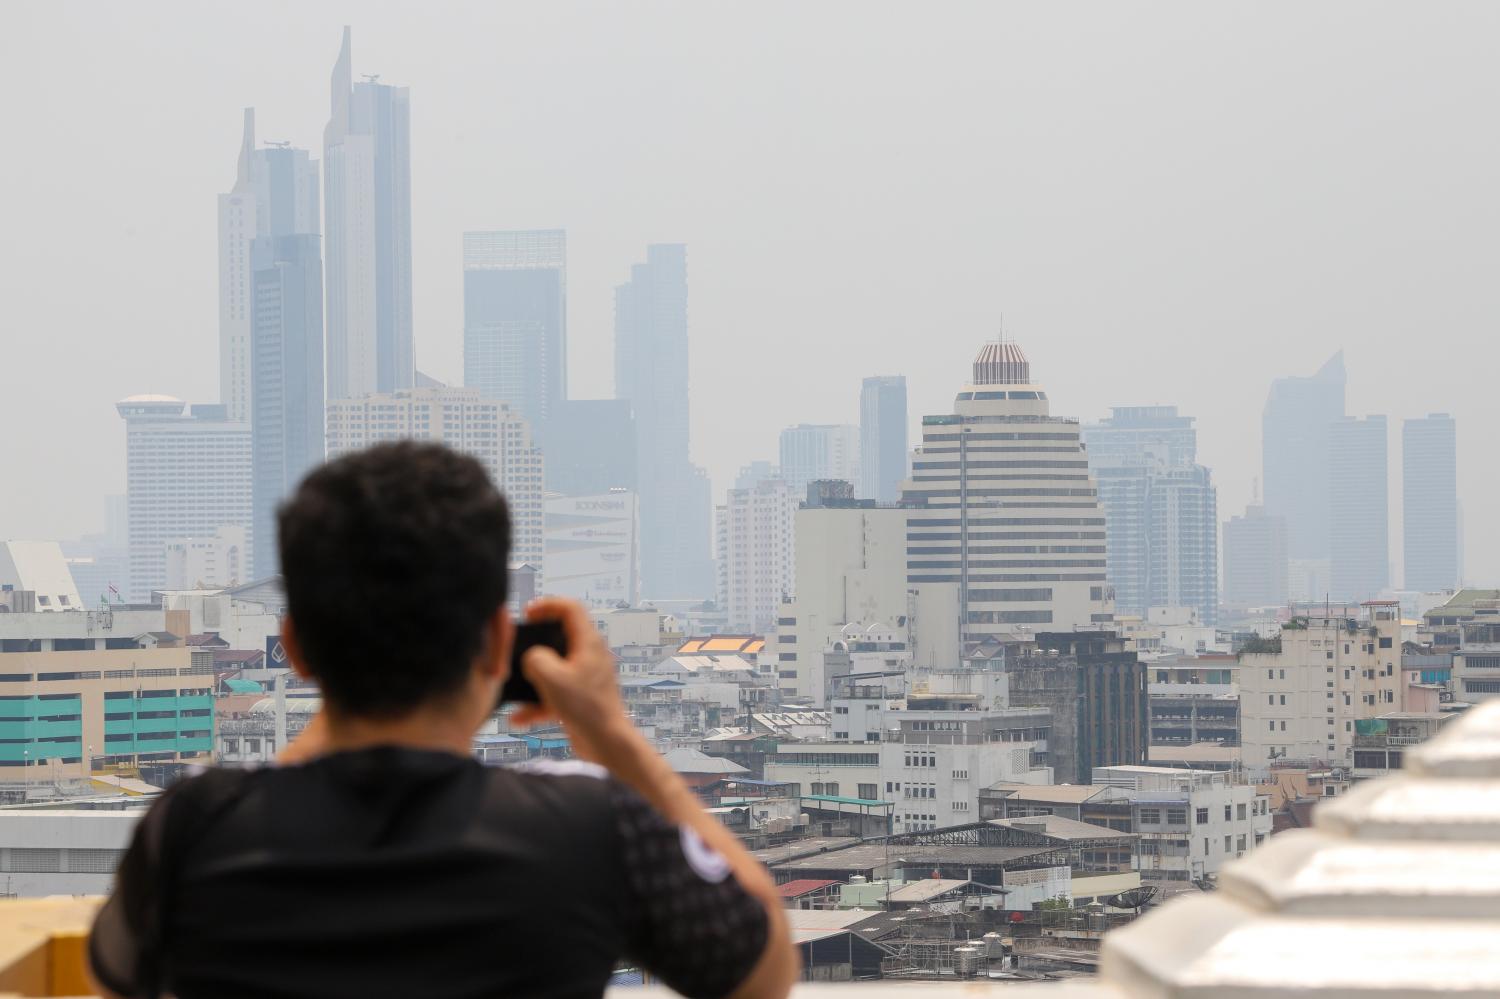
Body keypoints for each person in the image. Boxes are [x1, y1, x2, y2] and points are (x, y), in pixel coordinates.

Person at [88, 442, 797, 999]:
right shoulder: (593, 828)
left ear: (296, 646)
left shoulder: (190, 831)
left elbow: (116, 981)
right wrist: (611, 734)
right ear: (495, 640)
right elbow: (762, 971)